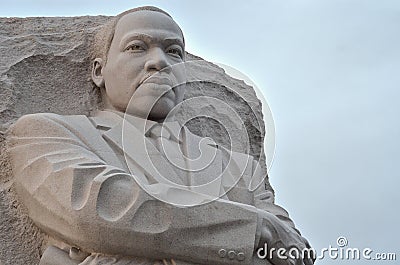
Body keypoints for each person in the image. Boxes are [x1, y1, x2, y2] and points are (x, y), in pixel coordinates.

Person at [9, 6, 314, 265]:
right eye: (136, 47)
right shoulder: (48, 133)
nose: (159, 62)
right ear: (98, 72)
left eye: (174, 52)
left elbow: (293, 251)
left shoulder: (238, 168)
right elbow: (94, 210)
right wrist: (255, 229)